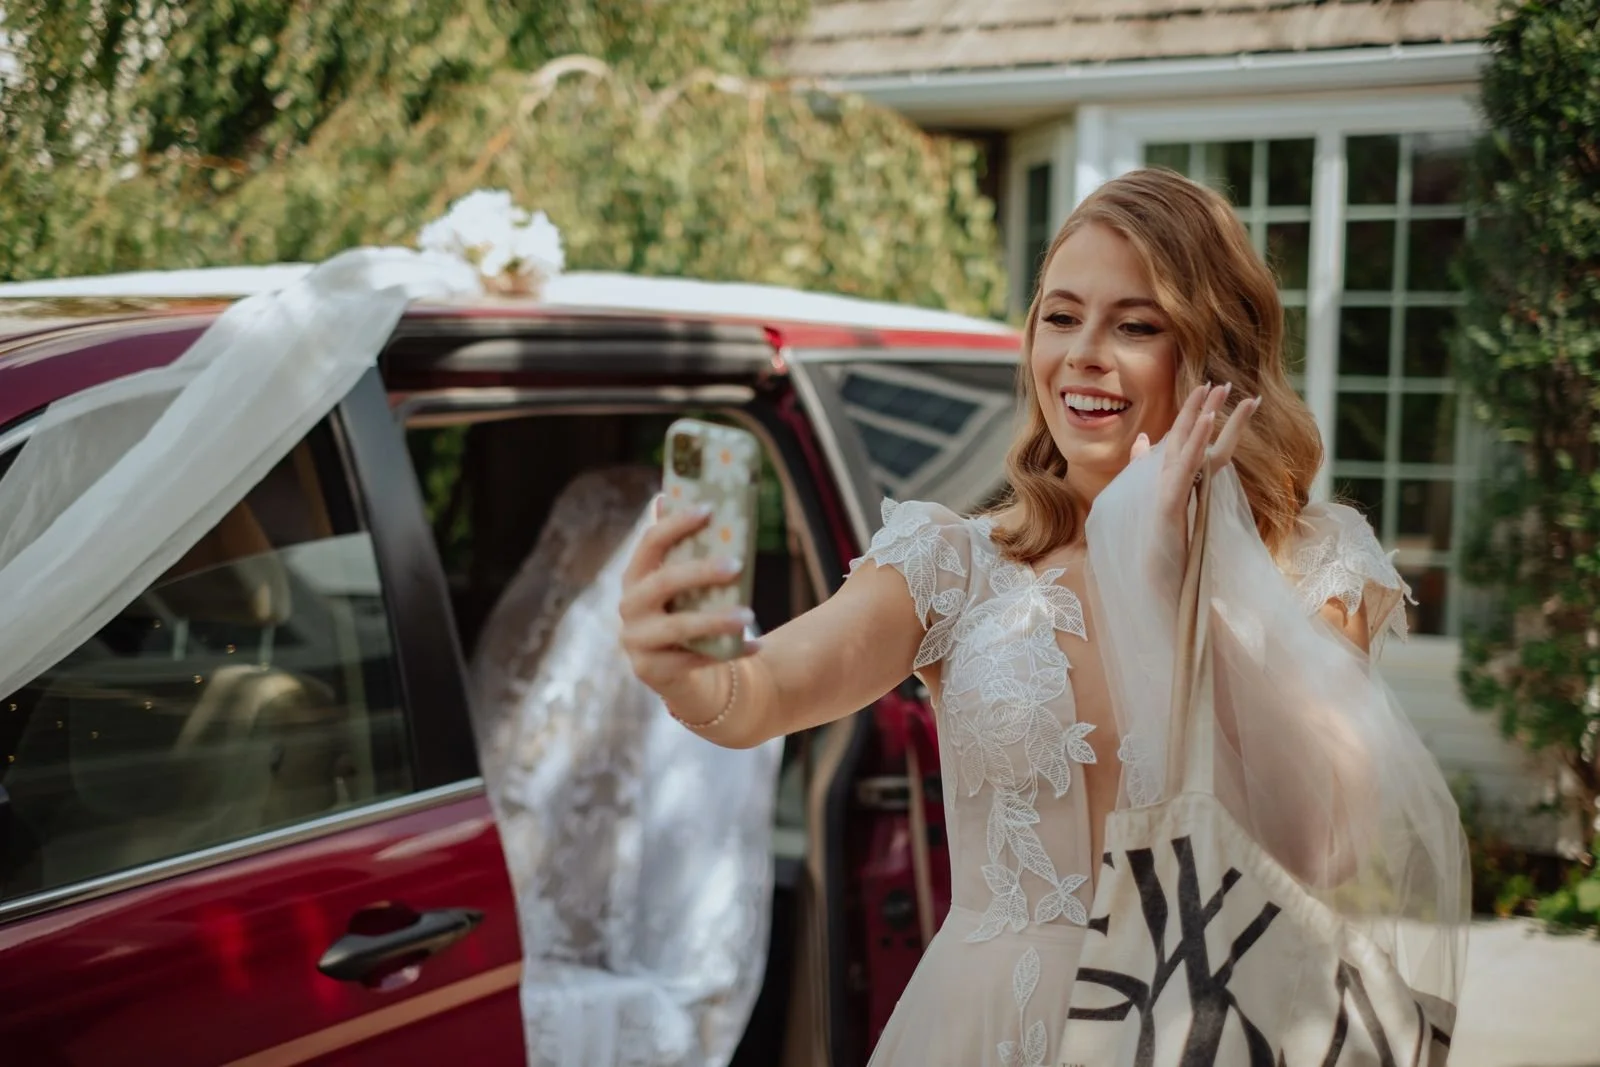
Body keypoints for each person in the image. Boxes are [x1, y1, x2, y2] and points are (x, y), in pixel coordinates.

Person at [618, 168, 1466, 1065]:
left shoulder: (1314, 561)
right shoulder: (955, 558)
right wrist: (694, 672)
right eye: (1061, 317)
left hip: (1211, 1029)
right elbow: (766, 691)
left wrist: (1187, 567)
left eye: (1135, 325)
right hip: (984, 1031)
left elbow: (1322, 843)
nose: (1083, 354)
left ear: (1213, 352)